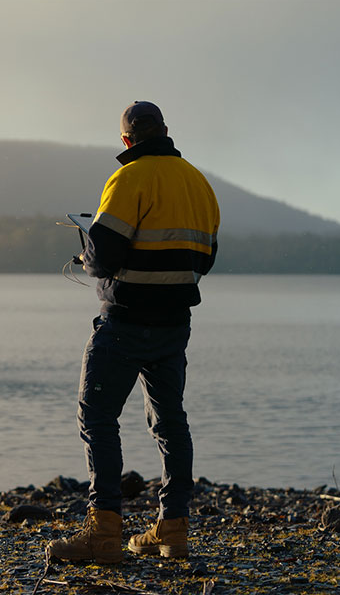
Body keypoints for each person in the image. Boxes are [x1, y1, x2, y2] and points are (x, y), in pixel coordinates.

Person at [47, 101, 220, 564]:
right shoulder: (200, 184)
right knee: (170, 423)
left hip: (123, 322)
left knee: (98, 418)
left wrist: (87, 249)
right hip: (173, 325)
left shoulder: (127, 178)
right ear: (164, 131)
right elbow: (205, 259)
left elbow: (104, 257)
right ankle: (173, 528)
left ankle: (103, 533)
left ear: (127, 140)